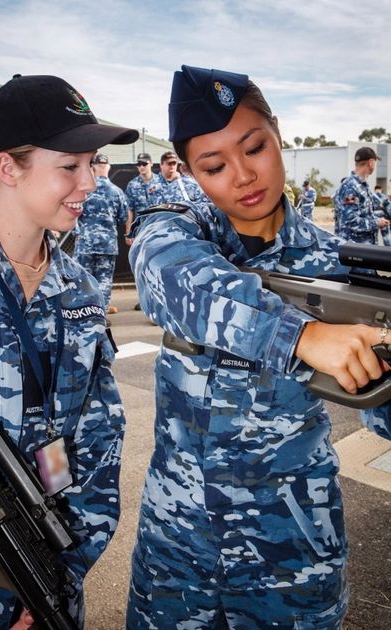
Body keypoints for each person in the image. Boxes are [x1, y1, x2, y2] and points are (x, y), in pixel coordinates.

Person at [126, 64, 391, 629]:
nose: (243, 176)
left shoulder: (337, 268)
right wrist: (303, 336)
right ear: (192, 175)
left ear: (278, 134)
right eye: (214, 166)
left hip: (290, 558)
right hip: (178, 555)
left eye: (255, 148)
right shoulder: (177, 230)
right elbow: (166, 276)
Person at [0, 73, 137, 629]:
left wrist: (60, 575)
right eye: (70, 166)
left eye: (92, 163)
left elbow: (101, 439)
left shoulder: (81, 289)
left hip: (45, 581)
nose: (89, 182)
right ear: (8, 168)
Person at [73, 153, 128, 322]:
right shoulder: (117, 192)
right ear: (108, 167)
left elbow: (73, 213)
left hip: (85, 242)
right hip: (107, 243)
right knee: (103, 282)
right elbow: (122, 217)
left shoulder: (83, 190)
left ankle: (83, 315)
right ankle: (100, 317)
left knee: (82, 281)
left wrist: (77, 233)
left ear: (92, 168)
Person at [125, 152, 161, 310]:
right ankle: (145, 299)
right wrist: (129, 231)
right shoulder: (133, 185)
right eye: (139, 164)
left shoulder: (161, 182)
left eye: (144, 164)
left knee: (158, 264)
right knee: (141, 264)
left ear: (151, 164)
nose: (141, 167)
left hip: (159, 229)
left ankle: (159, 299)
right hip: (141, 230)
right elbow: (129, 210)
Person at [334, 147, 388, 243]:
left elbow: (363, 214)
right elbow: (351, 221)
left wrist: (378, 219)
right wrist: (376, 223)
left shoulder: (362, 186)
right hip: (354, 250)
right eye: (375, 162)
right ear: (371, 163)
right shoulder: (351, 186)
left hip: (362, 248)